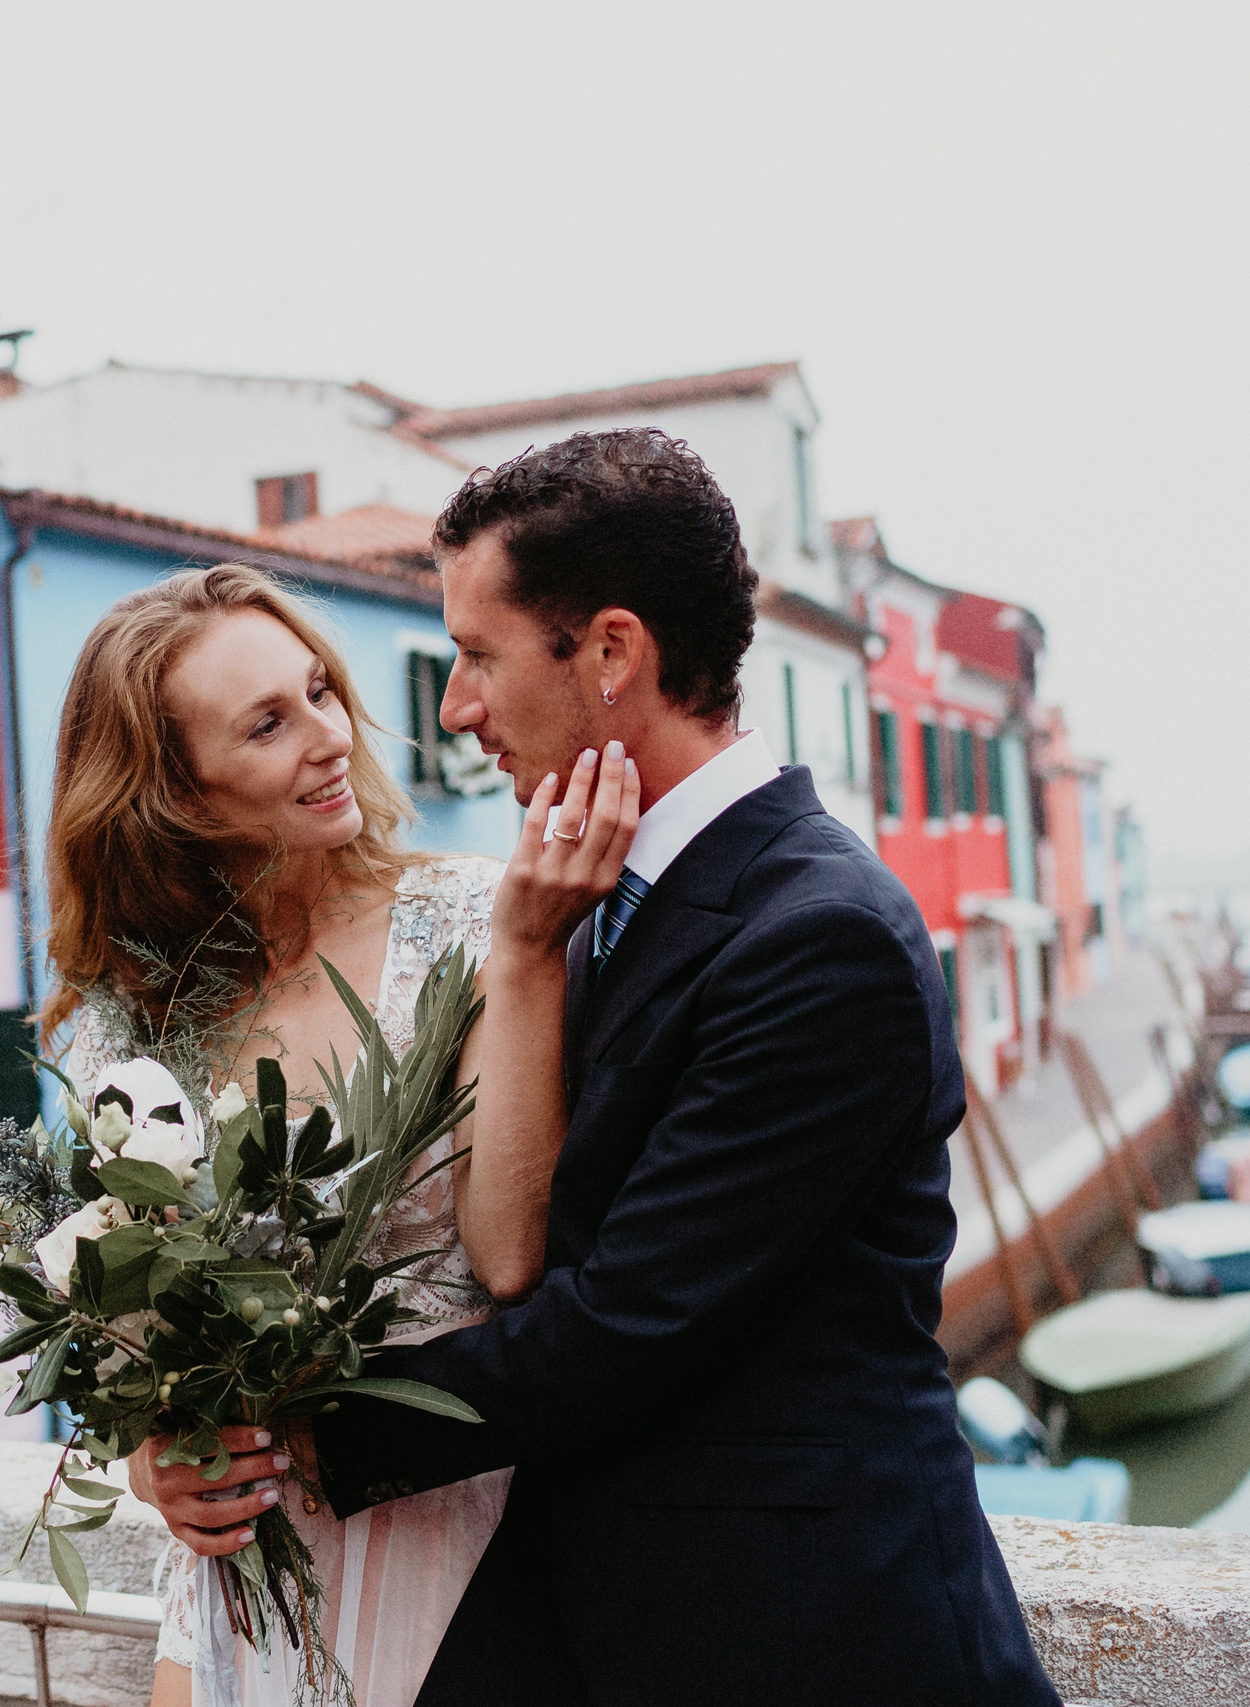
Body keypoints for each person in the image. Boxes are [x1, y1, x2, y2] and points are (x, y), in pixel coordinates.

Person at [130, 430, 1061, 1705]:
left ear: (613, 653)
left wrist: (278, 1436)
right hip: (584, 1621)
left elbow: (624, 1328)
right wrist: (179, 1427)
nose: (453, 709)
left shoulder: (818, 937)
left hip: (806, 1641)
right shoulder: (577, 902)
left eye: (477, 656)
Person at [40, 562, 638, 1707]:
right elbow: (130, 1315)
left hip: (450, 1529)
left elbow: (510, 1256)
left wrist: (524, 958)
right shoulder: (131, 1016)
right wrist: (156, 1460)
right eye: (267, 724)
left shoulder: (474, 922)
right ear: (177, 794)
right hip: (238, 1567)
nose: (330, 737)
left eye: (319, 691)